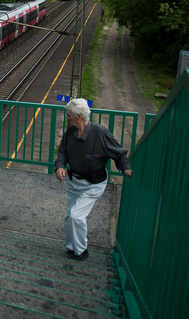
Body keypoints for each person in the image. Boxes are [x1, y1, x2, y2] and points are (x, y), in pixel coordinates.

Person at [54, 98, 132, 261]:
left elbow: (119, 153)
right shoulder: (71, 132)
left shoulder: (100, 133)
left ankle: (81, 251)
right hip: (73, 181)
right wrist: (60, 165)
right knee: (69, 216)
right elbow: (62, 151)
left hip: (92, 185)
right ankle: (71, 247)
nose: (67, 117)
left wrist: (125, 168)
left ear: (80, 116)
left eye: (69, 115)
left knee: (76, 216)